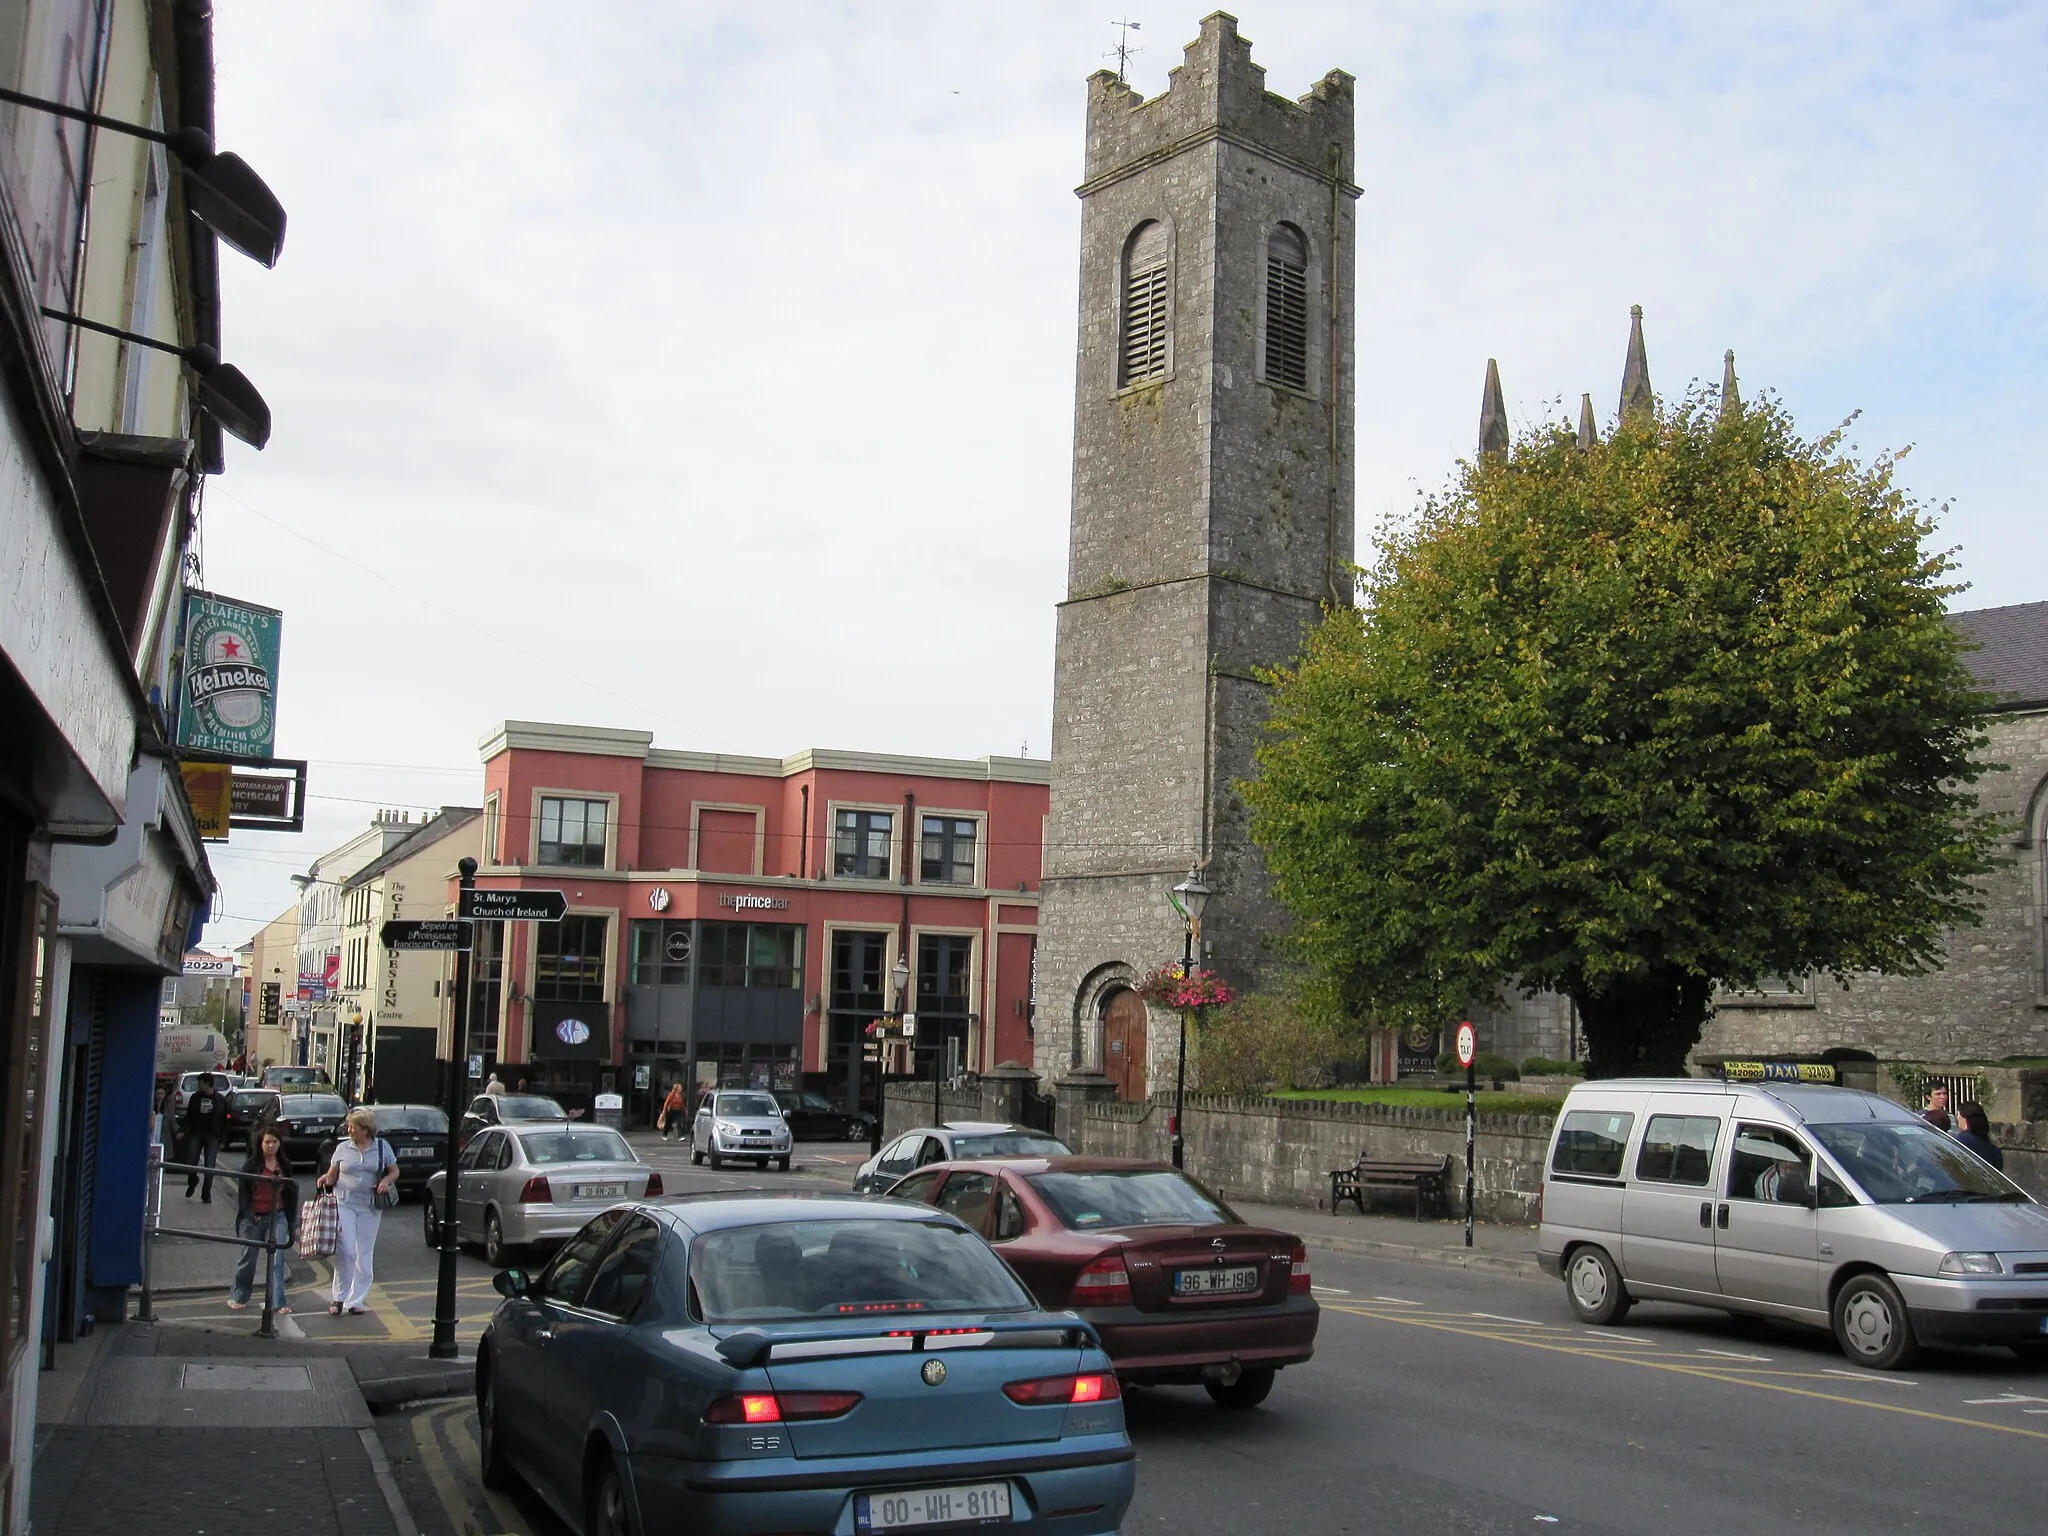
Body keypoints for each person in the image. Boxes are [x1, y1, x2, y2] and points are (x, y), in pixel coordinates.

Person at [316, 1107, 399, 1316]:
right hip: (344, 1202)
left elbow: (394, 1170)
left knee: (364, 1253)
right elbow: (332, 1175)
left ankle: (357, 1300)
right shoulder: (343, 1148)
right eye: (349, 1126)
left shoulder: (382, 1147)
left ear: (366, 1129)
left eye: (353, 1126)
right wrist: (325, 1179)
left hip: (370, 1206)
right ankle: (339, 1297)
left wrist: (386, 1181)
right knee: (346, 1251)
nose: (349, 1129)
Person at [228, 1126, 297, 1314]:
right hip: (254, 1217)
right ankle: (239, 1295)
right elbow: (243, 1195)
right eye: (267, 1142)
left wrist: (292, 1222)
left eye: (274, 1142)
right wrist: (250, 1215)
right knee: (248, 1259)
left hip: (278, 1216)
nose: (271, 1145)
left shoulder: (284, 1164)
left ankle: (279, 1302)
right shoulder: (251, 1165)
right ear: (260, 1143)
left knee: (277, 1259)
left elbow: (291, 1193)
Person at [183, 1072, 227, 1201]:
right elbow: (188, 1115)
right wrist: (183, 1129)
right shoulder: (195, 1098)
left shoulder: (220, 1100)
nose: (199, 1086)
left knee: (210, 1165)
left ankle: (206, 1193)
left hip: (212, 1135)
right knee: (191, 1161)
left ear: (208, 1084)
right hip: (197, 1133)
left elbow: (225, 1121)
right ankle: (192, 1181)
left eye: (200, 1083)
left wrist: (223, 1139)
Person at [1953, 1101, 2004, 1170]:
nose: (1956, 1117)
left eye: (1958, 1114)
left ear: (1964, 1118)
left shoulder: (1959, 1141)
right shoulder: (1994, 1149)